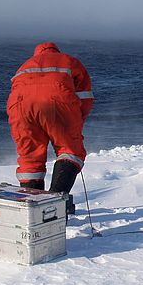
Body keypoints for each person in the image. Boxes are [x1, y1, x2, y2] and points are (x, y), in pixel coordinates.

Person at [7, 42, 94, 208]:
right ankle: (54, 204)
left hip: (19, 106)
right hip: (57, 102)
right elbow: (85, 97)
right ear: (56, 51)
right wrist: (75, 123)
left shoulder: (25, 65)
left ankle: (32, 210)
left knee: (30, 159)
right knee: (70, 151)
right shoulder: (69, 61)